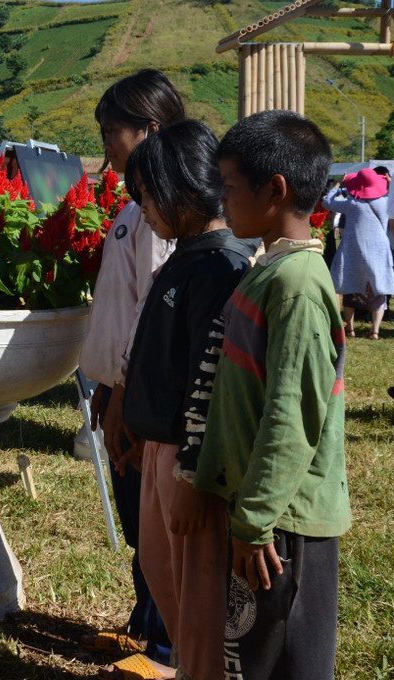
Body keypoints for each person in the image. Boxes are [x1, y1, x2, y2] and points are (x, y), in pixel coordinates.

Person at [197, 109, 351, 680]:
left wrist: (256, 521)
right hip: (260, 512)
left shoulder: (299, 288)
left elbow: (292, 418)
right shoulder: (271, 270)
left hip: (284, 525)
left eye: (231, 187)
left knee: (283, 659)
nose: (223, 200)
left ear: (275, 189)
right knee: (252, 656)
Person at [116, 119, 256, 680]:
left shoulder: (220, 267)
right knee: (165, 577)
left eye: (148, 194)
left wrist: (195, 473)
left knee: (197, 600)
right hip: (160, 451)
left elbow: (213, 383)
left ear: (184, 186)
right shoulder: (186, 255)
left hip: (188, 462)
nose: (142, 207)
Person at [77, 68, 183, 670]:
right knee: (136, 516)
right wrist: (101, 385)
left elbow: (149, 318)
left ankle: (167, 647)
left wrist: (121, 394)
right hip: (117, 389)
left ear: (149, 128)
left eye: (111, 130)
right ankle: (145, 623)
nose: (105, 144)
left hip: (139, 395)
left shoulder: (162, 213)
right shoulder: (132, 207)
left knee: (156, 525)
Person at [323, 167, 394, 340]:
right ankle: (375, 330)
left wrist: (338, 184)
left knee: (350, 288)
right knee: (379, 290)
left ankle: (351, 329)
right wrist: (391, 184)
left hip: (353, 251)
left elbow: (327, 202)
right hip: (378, 250)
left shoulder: (352, 204)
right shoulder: (385, 203)